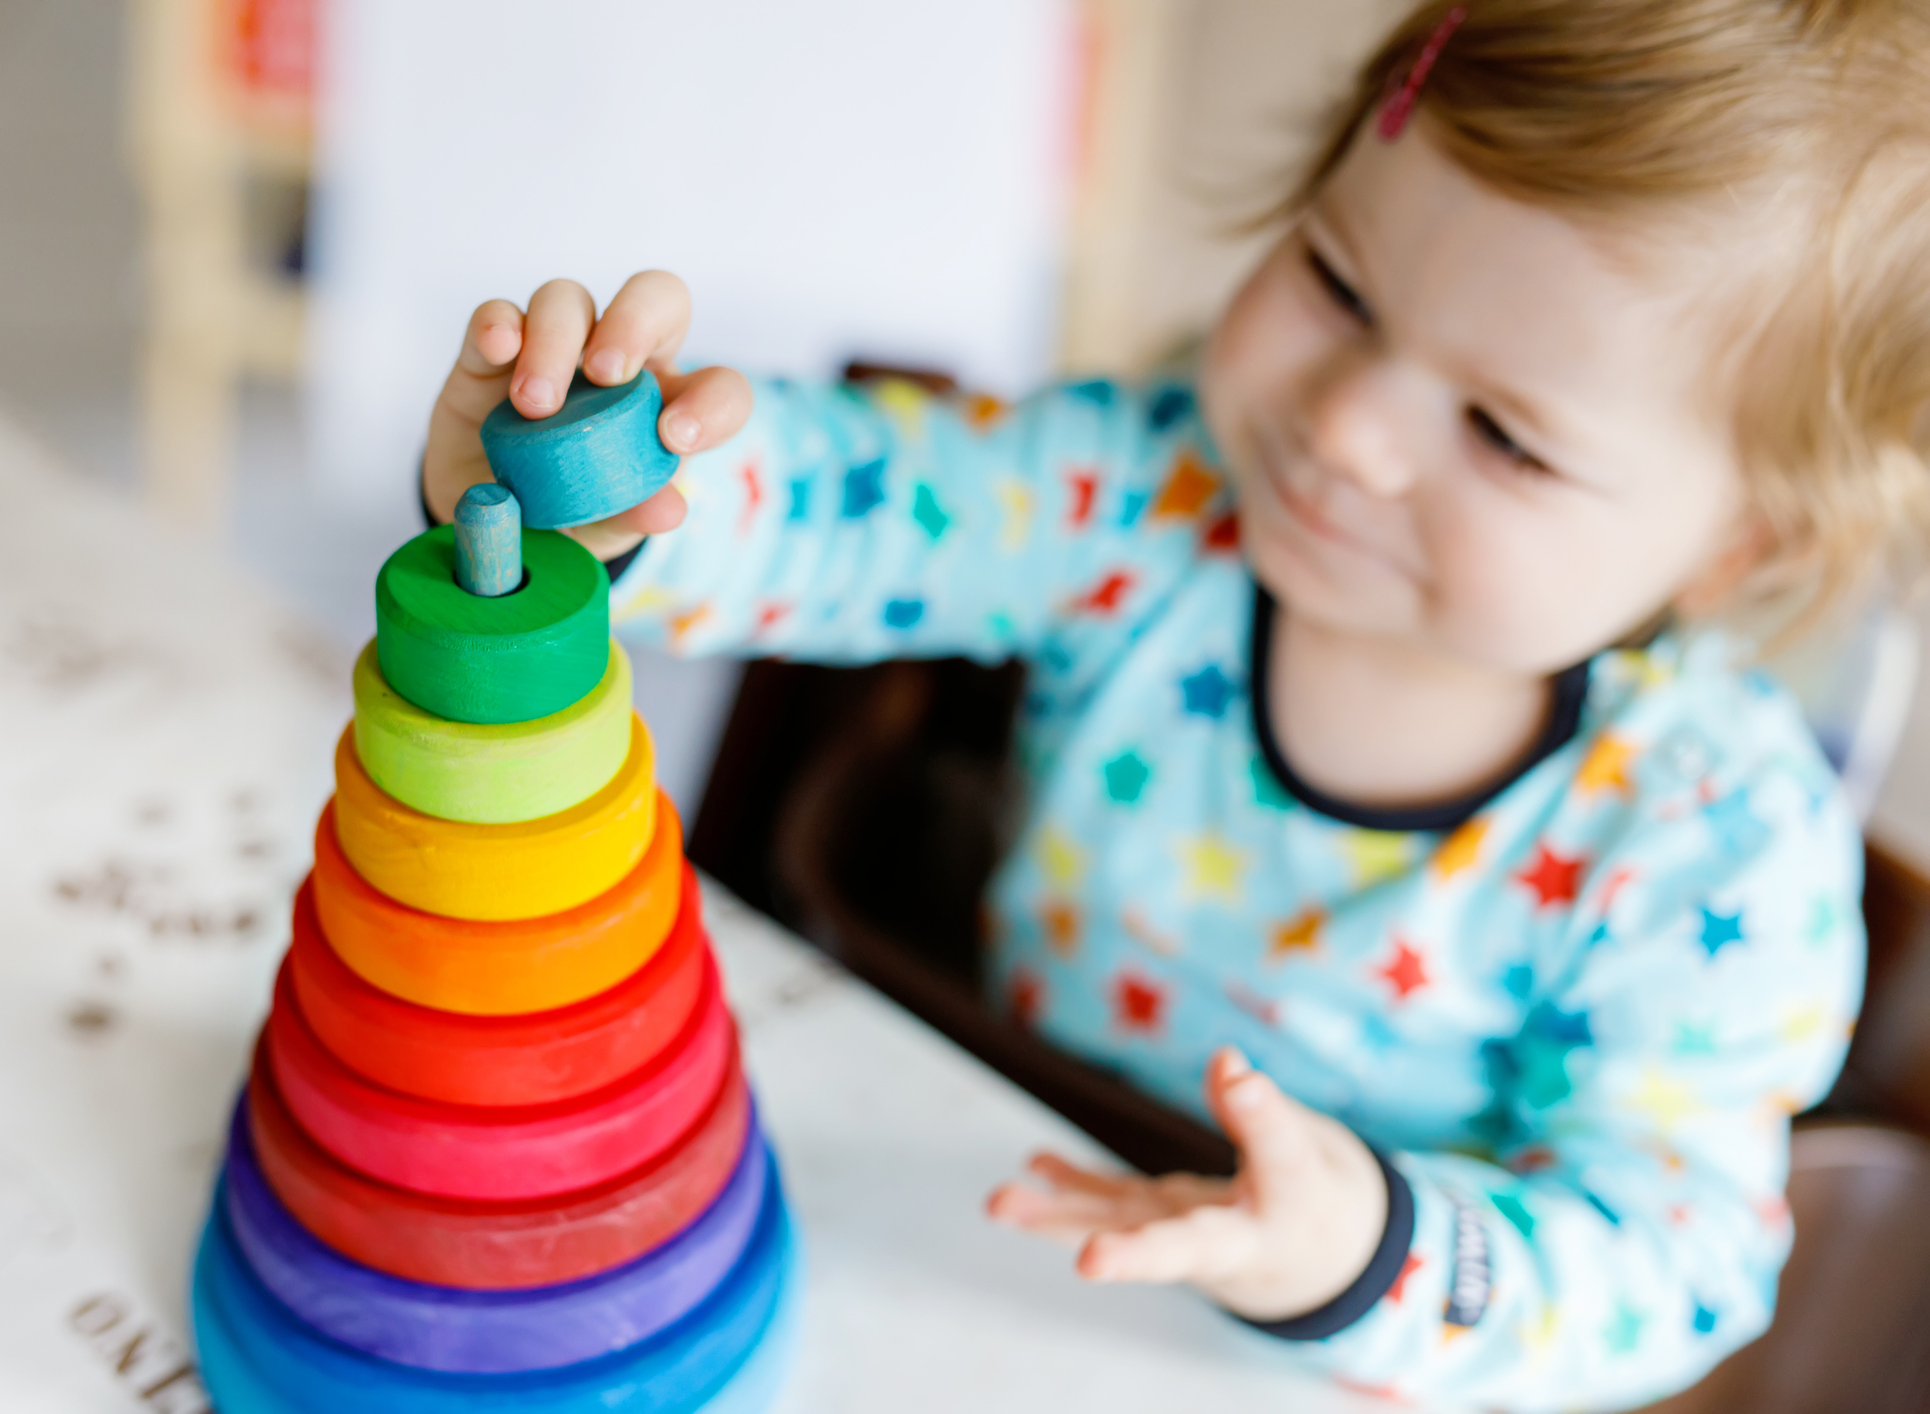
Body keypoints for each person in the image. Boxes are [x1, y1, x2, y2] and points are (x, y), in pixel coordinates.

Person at [415, 1, 1930, 1404]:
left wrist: (1365, 1251)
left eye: (1501, 435)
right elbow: (861, 503)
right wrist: (610, 502)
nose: (1342, 429)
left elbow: (1677, 1256)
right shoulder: (1151, 496)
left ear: (1740, 544)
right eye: (1338, 281)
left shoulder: (1707, 839)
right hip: (973, 1210)